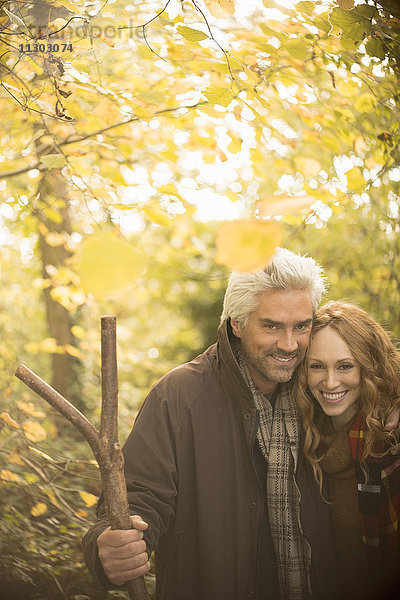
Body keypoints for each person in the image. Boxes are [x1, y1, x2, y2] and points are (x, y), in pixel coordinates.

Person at [82, 249, 396, 600]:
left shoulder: (316, 386)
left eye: (301, 326)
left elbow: (371, 395)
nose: (289, 345)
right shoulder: (181, 395)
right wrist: (109, 545)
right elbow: (137, 497)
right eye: (271, 326)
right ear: (237, 322)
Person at [295, 300, 400, 600]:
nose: (330, 382)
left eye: (345, 366)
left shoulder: (388, 442)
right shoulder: (308, 433)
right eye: (317, 366)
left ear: (368, 366)